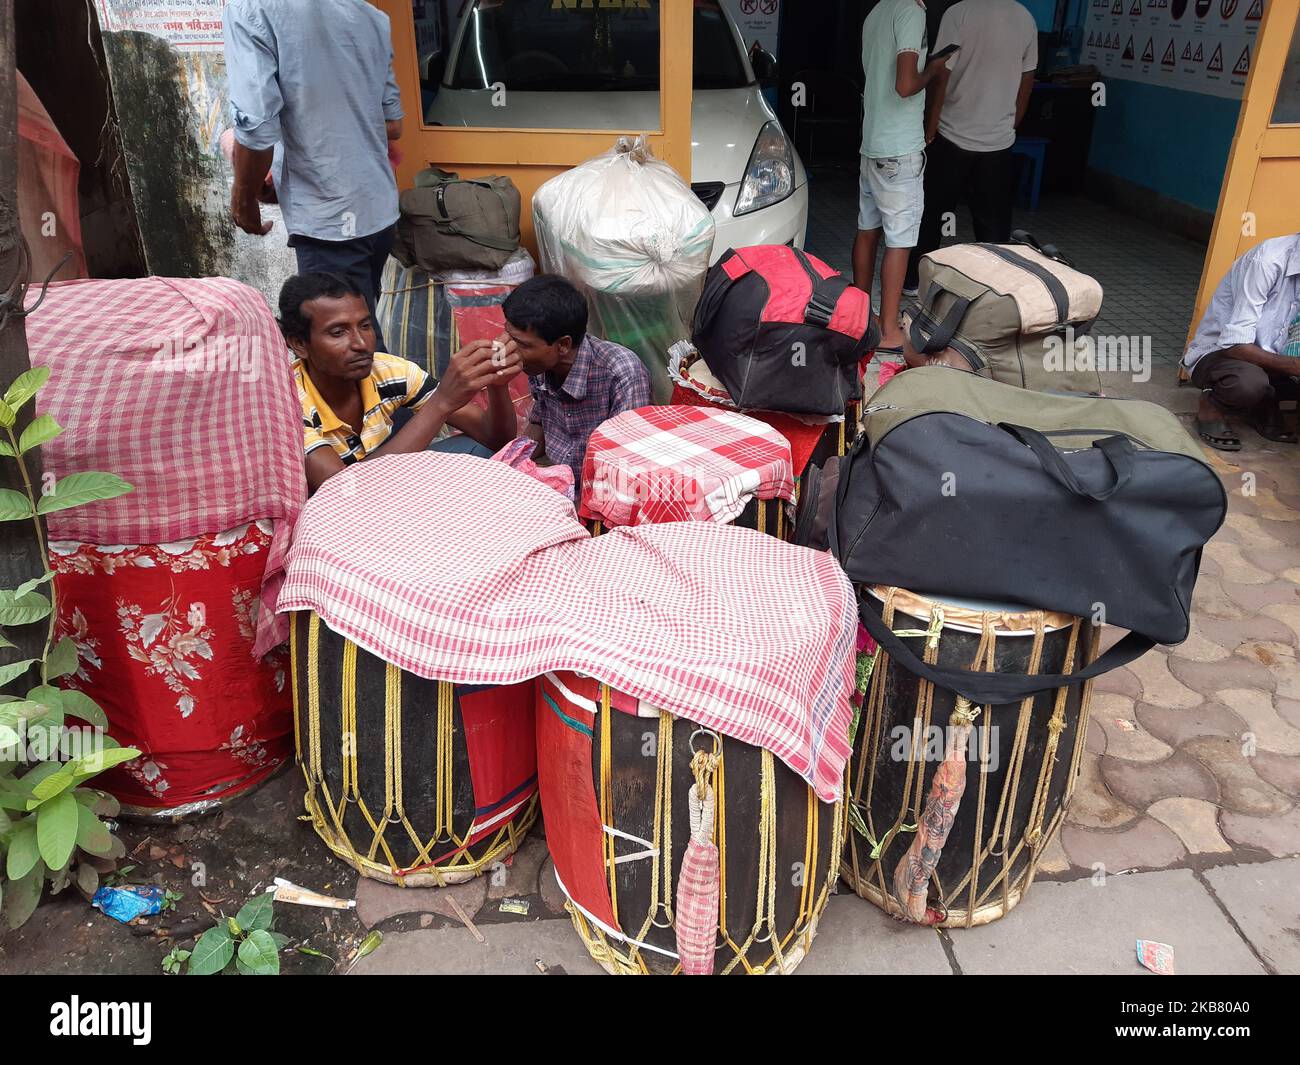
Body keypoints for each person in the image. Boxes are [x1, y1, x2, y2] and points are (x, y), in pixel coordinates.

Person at [224, 0, 404, 350]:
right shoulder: (371, 16)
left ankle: (397, 404)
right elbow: (392, 124)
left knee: (349, 349)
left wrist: (243, 198)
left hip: (331, 217)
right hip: (376, 206)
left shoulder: (252, 8)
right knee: (360, 331)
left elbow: (258, 128)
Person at [279, 273, 521, 492]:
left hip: (378, 484)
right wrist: (442, 403)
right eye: (338, 332)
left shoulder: (388, 371)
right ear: (299, 344)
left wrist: (497, 385)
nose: (361, 343)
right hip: (330, 513)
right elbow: (343, 490)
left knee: (478, 451)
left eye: (365, 326)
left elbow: (495, 440)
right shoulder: (286, 402)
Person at [905, 0, 1038, 294]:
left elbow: (941, 74)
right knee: (993, 222)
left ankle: (914, 280)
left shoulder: (959, 13)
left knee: (933, 215)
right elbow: (1027, 80)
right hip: (998, 141)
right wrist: (1011, 124)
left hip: (951, 134)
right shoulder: (1025, 18)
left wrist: (929, 129)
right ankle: (994, 289)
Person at [853, 0, 953, 353]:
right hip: (899, 148)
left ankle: (861, 320)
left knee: (867, 231)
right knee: (900, 241)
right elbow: (906, 84)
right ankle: (889, 331)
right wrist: (935, 68)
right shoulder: (911, 12)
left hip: (873, 142)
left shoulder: (876, 12)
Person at [502, 276, 652, 487]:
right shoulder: (540, 365)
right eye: (508, 336)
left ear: (563, 345)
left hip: (602, 488)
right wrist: (507, 467)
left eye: (521, 344)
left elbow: (626, 464)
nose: (510, 349)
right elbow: (538, 424)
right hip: (558, 480)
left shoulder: (623, 374)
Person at [1184, 234, 1300, 451]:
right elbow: (1236, 345)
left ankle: (1265, 402)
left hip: (1277, 359)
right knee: (1248, 383)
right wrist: (1294, 366)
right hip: (1222, 354)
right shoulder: (1267, 260)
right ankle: (1211, 407)